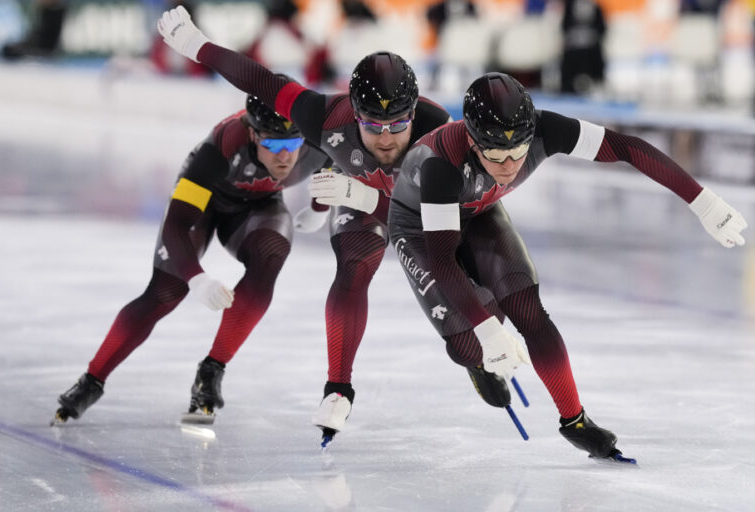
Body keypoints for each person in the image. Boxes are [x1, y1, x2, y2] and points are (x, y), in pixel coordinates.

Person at [388, 72, 747, 460]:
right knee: (473, 337)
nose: (509, 165)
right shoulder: (442, 163)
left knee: (528, 310)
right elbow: (442, 261)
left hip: (480, 211)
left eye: (519, 152)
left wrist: (703, 202)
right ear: (473, 142)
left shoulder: (546, 129)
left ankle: (575, 420)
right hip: (419, 228)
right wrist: (487, 332)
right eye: (495, 155)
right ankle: (475, 361)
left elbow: (627, 147)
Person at [156, 6, 452, 445]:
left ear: (415, 115)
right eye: (372, 125)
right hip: (356, 194)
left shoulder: (439, 130)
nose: (386, 138)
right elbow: (258, 80)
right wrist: (197, 45)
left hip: (396, 197)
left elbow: (432, 218)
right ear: (351, 113)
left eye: (397, 125)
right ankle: (338, 387)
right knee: (354, 264)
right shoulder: (321, 117)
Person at [53, 95, 331, 424]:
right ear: (254, 134)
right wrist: (197, 278)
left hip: (259, 206)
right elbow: (176, 226)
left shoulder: (320, 139)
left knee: (271, 254)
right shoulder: (221, 149)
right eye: (272, 142)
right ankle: (91, 381)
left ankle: (211, 372)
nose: (285, 155)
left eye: (293, 142)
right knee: (166, 291)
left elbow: (339, 163)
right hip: (202, 204)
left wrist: (319, 209)